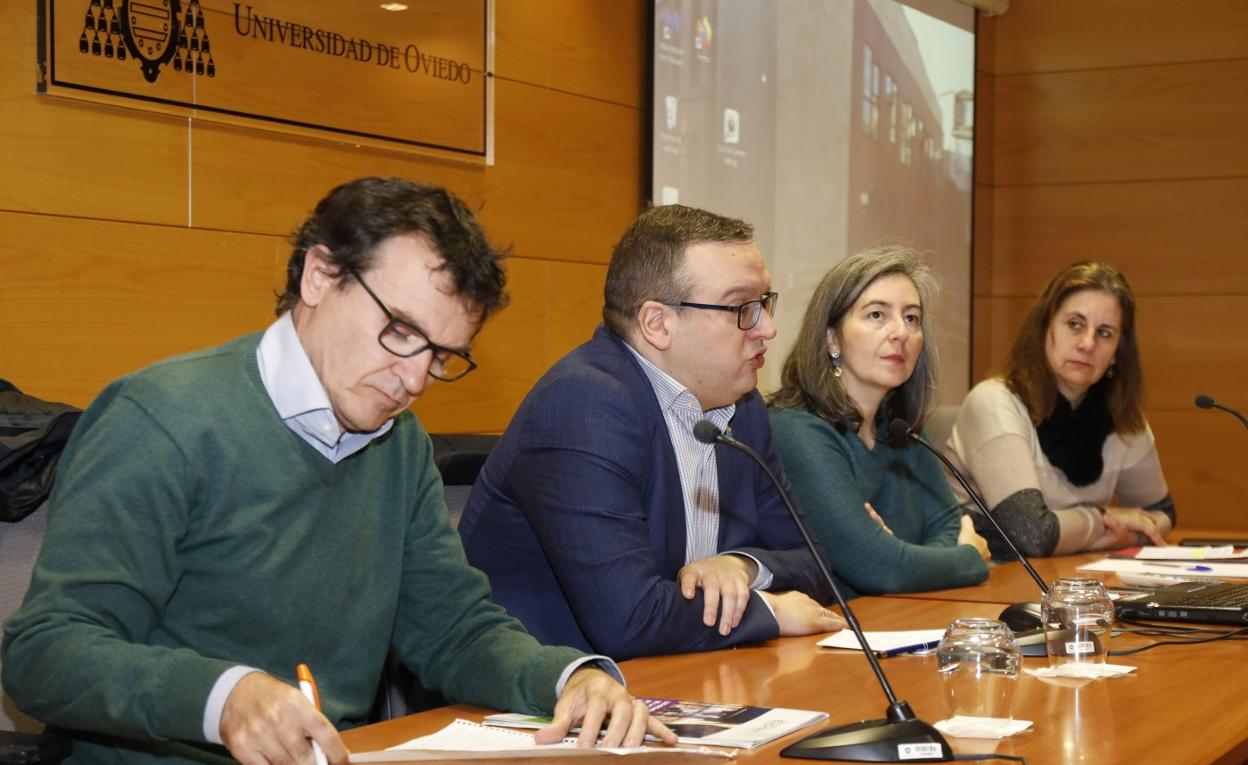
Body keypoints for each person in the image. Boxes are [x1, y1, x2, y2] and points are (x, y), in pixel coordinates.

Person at [1, 177, 672, 765]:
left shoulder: (397, 442)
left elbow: (451, 629)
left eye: (441, 356)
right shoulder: (165, 418)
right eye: (402, 332)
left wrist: (565, 677)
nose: (414, 380)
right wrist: (224, 697)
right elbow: (44, 651)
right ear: (320, 275)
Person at [458, 204, 845, 661]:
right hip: (539, 701)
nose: (769, 329)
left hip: (675, 677)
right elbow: (628, 618)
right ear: (657, 324)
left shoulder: (742, 407)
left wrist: (740, 567)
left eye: (764, 304)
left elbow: (815, 563)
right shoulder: (585, 405)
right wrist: (769, 611)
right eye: (743, 308)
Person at [766, 247, 990, 598]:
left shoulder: (901, 428)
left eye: (912, 318)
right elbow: (880, 567)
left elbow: (949, 527)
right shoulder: (797, 429)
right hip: (817, 641)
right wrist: (966, 558)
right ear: (832, 338)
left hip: (898, 621)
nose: (900, 332)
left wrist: (901, 555)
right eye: (876, 315)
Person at [945, 260, 1175, 557]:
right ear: (1045, 328)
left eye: (1105, 333)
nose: (1087, 343)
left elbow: (1163, 512)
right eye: (1075, 325)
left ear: (1117, 353)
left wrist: (1126, 536)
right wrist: (1107, 520)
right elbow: (1033, 533)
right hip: (983, 586)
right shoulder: (995, 402)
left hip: (1068, 581)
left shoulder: (1123, 418)